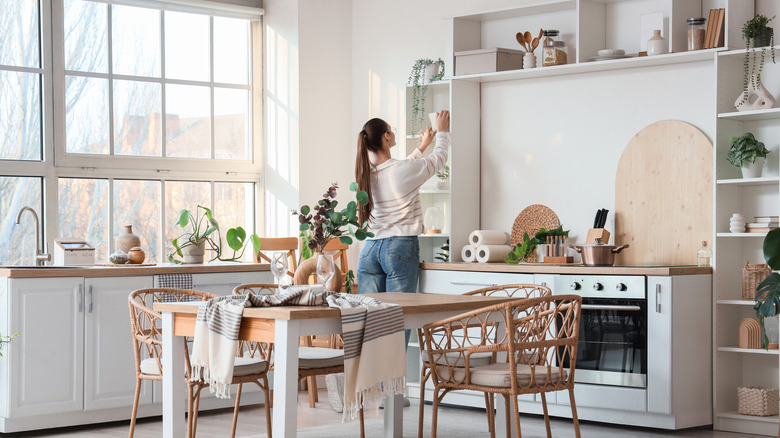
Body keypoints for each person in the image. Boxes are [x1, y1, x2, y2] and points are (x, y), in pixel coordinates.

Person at [354, 110, 450, 297]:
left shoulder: (366, 174)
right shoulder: (402, 171)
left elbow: (400, 170)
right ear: (386, 136)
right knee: (399, 318)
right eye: (392, 130)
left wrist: (422, 147)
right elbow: (439, 159)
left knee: (370, 318)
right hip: (399, 248)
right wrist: (443, 131)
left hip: (370, 250)